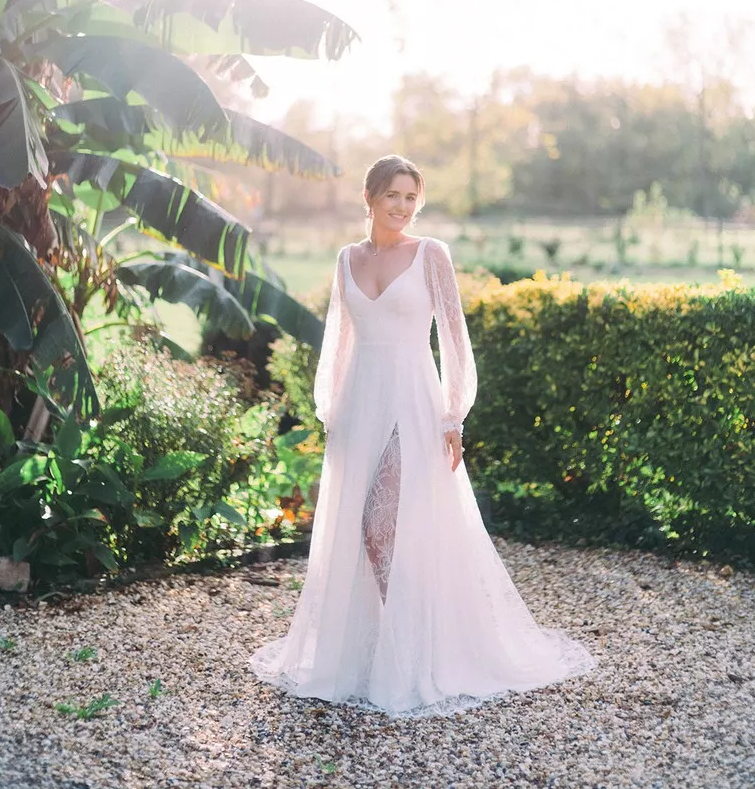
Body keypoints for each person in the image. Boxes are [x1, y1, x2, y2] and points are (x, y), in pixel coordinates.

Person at [249, 154, 596, 716]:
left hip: (413, 399)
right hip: (361, 405)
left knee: (380, 527)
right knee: (358, 534)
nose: (402, 207)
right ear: (369, 198)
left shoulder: (432, 255)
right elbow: (338, 341)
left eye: (411, 197)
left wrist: (454, 416)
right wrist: (332, 413)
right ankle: (372, 653)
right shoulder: (346, 259)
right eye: (392, 195)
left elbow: (455, 338)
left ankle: (415, 653)